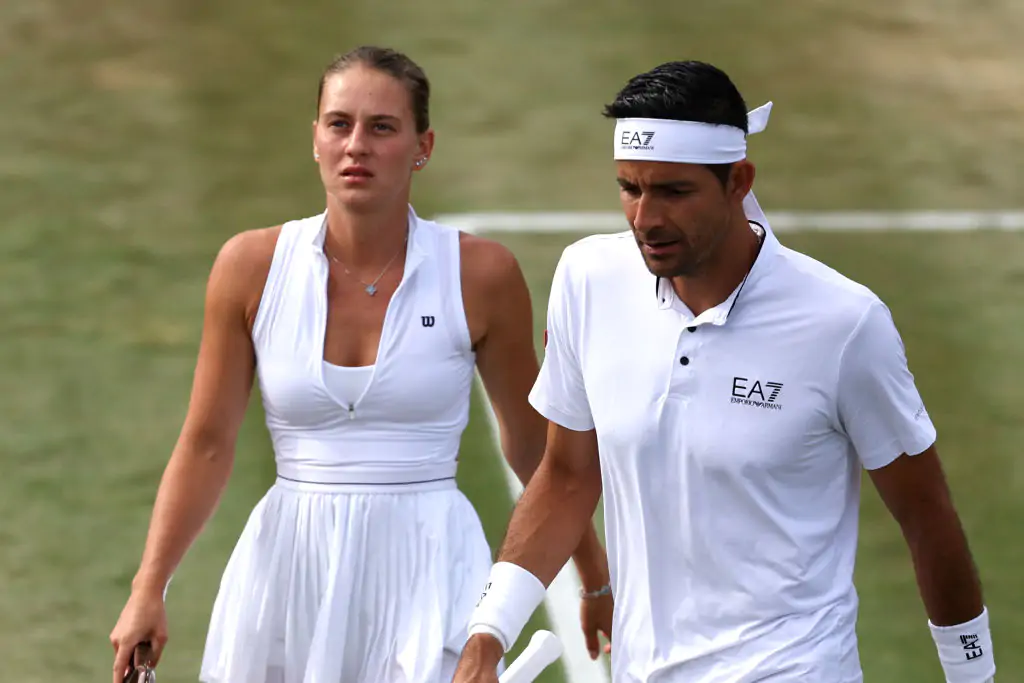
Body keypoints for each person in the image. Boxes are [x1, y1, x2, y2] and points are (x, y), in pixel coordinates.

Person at [453, 61, 995, 683]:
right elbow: (568, 476)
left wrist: (972, 673)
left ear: (739, 181)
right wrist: (488, 633)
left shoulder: (844, 324)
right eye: (630, 188)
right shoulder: (587, 281)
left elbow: (925, 512)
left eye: (674, 192)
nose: (645, 218)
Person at [108, 45, 611, 683]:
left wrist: (593, 575)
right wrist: (148, 588)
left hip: (431, 567)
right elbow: (206, 443)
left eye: (382, 128)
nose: (356, 146)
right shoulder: (247, 268)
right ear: (315, 139)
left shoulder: (483, 276)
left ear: (423, 146)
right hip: (289, 571)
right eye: (339, 124)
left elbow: (536, 448)